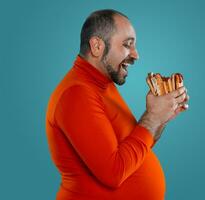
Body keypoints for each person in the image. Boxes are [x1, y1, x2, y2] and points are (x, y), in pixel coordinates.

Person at [45, 9, 189, 200]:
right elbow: (113, 173)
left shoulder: (103, 85)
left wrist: (161, 118)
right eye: (127, 45)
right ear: (96, 46)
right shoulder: (76, 94)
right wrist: (152, 117)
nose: (136, 55)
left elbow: (134, 150)